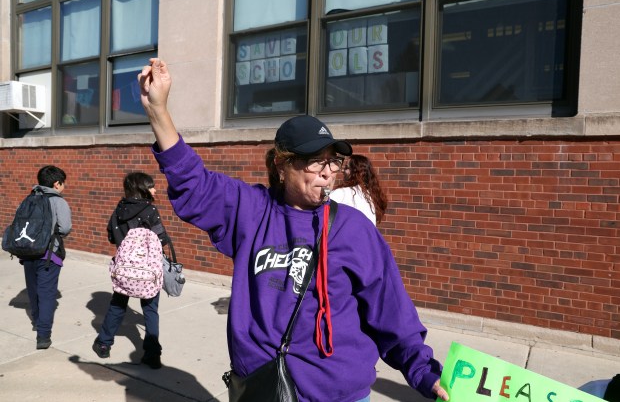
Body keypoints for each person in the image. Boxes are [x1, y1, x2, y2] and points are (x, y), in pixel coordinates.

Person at [138, 58, 449, 401]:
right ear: (283, 166)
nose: (327, 171)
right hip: (264, 386)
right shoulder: (251, 210)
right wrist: (158, 111)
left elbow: (390, 308)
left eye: (333, 160)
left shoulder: (353, 228)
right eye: (316, 160)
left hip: (338, 393)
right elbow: (193, 182)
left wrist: (423, 372)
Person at [92, 172, 170, 369]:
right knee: (150, 309)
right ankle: (152, 355)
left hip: (125, 269)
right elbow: (161, 239)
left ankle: (103, 343)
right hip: (147, 271)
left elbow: (111, 237)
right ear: (143, 189)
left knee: (117, 305)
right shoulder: (150, 210)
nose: (155, 189)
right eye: (152, 186)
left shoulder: (119, 209)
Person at [22, 165, 72, 350]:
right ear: (56, 183)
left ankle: (37, 321)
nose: (64, 187)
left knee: (33, 290)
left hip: (27, 252)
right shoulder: (59, 201)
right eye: (63, 183)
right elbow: (65, 227)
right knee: (47, 293)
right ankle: (43, 336)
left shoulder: (30, 197)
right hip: (49, 254)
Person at [330, 154, 388, 226]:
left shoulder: (342, 193)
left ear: (357, 172)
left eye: (347, 168)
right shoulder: (370, 195)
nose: (342, 170)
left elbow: (321, 211)